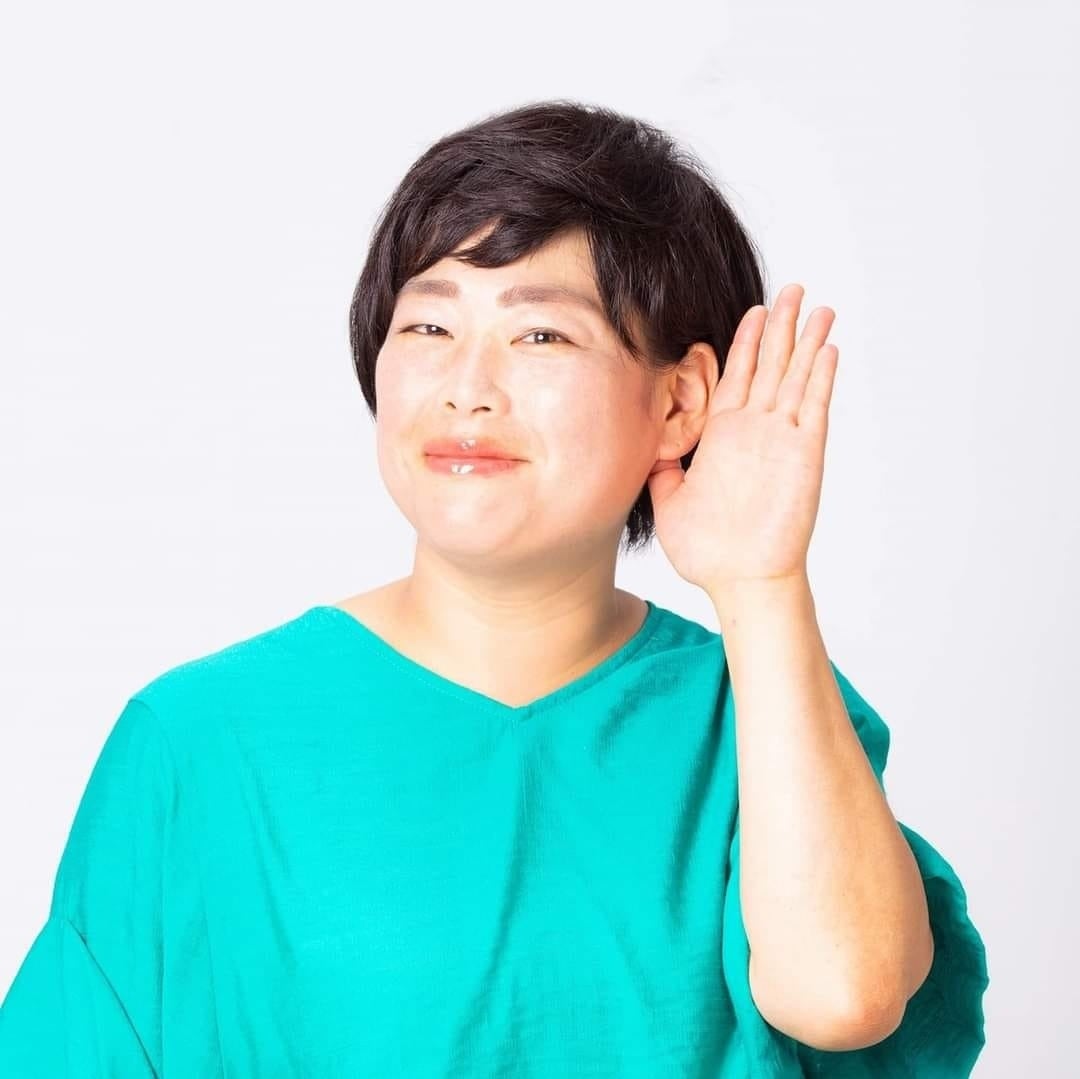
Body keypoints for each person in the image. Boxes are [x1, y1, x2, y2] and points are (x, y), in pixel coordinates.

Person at [0, 99, 988, 1076]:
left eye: (540, 336)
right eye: (429, 325)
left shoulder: (765, 712)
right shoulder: (199, 738)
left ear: (679, 401)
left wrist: (762, 581)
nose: (465, 386)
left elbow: (845, 996)